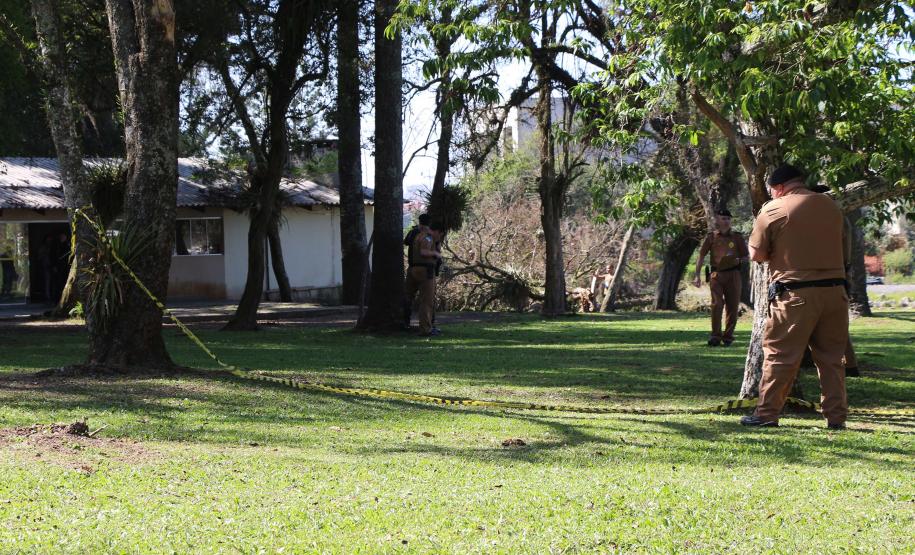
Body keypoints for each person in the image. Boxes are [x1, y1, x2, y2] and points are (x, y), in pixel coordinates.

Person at [741, 164, 849, 430]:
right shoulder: (831, 206)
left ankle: (766, 414)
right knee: (832, 359)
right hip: (835, 293)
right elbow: (845, 251)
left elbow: (756, 254)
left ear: (778, 188)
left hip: (795, 295)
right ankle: (836, 418)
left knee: (780, 355)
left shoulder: (774, 208)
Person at [693, 208, 749, 346]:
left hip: (734, 274)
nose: (726, 221)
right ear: (717, 220)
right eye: (723, 218)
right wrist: (697, 275)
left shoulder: (737, 237)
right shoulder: (711, 237)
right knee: (717, 304)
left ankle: (728, 337)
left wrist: (738, 261)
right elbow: (701, 256)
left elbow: (746, 256)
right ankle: (715, 337)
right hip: (716, 275)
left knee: (733, 306)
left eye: (728, 219)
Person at [404, 220, 444, 337]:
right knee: (427, 301)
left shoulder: (417, 234)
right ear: (436, 231)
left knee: (409, 296)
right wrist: (436, 254)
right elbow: (424, 252)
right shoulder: (428, 238)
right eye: (440, 235)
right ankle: (426, 329)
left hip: (414, 269)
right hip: (425, 271)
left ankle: (405, 322)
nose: (439, 237)